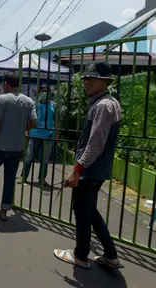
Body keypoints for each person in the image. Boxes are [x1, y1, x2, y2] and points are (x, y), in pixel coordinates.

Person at [54, 62, 123, 269]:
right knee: (89, 209)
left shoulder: (103, 105)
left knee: (82, 210)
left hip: (90, 169)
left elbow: (95, 143)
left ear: (106, 81)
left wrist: (77, 169)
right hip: (97, 168)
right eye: (85, 78)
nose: (87, 82)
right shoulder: (106, 102)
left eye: (92, 78)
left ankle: (80, 255)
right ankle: (111, 255)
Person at [0, 72, 37, 221]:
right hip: (16, 148)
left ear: (5, 84)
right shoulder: (29, 101)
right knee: (9, 180)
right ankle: (3, 210)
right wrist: (23, 129)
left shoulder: (2, 99)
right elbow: (34, 123)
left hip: (0, 147)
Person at [18, 85, 58, 186]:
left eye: (46, 91)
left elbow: (56, 121)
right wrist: (26, 130)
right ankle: (24, 177)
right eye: (42, 91)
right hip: (34, 134)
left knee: (45, 159)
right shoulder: (34, 104)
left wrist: (56, 135)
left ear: (49, 94)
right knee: (29, 157)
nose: (44, 93)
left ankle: (42, 179)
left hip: (48, 135)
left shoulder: (54, 106)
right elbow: (28, 118)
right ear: (39, 93)